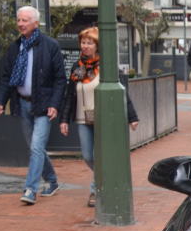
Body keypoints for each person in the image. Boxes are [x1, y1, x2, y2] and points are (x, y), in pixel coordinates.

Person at [58, 27, 139, 208]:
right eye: (83, 42)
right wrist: (63, 120)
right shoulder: (77, 67)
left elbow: (122, 92)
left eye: (89, 43)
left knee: (98, 155)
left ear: (97, 45)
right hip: (82, 118)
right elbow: (69, 95)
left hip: (104, 118)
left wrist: (132, 116)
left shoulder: (107, 66)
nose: (85, 46)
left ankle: (95, 189)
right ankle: (107, 177)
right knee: (88, 155)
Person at [0, 5, 65, 205]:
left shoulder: (50, 46)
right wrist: (1, 101)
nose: (20, 24)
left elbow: (60, 79)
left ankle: (30, 189)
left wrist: (54, 104)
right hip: (22, 104)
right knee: (36, 148)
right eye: (18, 20)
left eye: (25, 20)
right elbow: (7, 77)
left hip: (43, 105)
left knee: (36, 147)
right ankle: (51, 181)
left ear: (35, 23)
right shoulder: (15, 47)